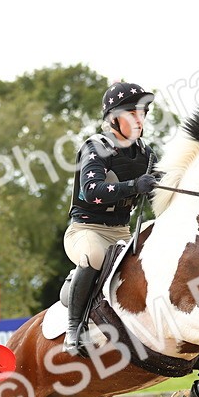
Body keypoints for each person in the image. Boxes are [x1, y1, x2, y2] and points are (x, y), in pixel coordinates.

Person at [62, 80, 159, 355]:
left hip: (122, 233)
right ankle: (74, 328)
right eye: (132, 113)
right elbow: (91, 190)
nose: (140, 120)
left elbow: (158, 198)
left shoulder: (146, 153)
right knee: (94, 256)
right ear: (114, 119)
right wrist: (133, 186)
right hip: (86, 230)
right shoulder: (96, 147)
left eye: (143, 113)